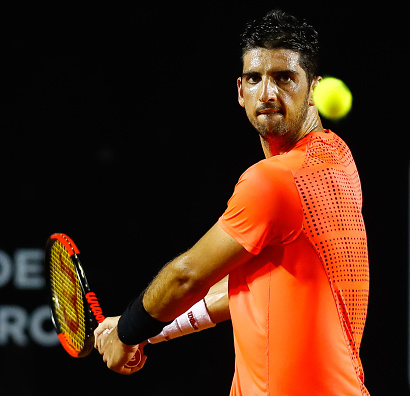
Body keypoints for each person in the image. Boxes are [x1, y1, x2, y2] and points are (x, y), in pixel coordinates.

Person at [93, 9, 370, 396]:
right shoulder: (339, 159)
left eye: (285, 78)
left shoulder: (272, 182)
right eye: (255, 78)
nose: (268, 93)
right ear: (240, 91)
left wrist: (126, 333)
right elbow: (239, 289)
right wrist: (144, 330)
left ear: (314, 92)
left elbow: (187, 276)